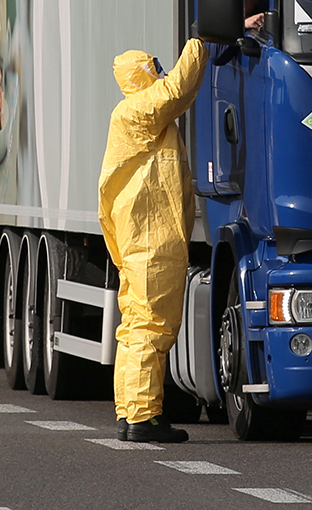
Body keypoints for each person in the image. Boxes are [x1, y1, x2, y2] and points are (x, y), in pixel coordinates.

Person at [99, 37, 208, 444]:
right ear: (143, 76)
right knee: (152, 327)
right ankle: (144, 418)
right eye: (154, 68)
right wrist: (202, 41)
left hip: (141, 240)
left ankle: (131, 414)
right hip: (152, 241)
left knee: (134, 329)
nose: (161, 73)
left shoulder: (136, 118)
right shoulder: (138, 112)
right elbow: (179, 87)